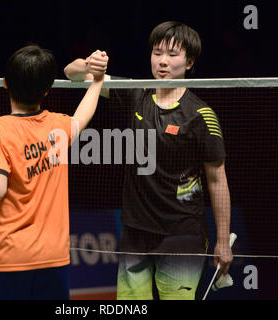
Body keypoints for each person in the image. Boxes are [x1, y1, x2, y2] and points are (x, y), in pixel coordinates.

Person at [64, 21, 232, 300]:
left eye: (172, 54)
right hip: (136, 231)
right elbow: (71, 75)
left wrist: (223, 241)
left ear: (189, 62)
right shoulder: (136, 92)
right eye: (157, 53)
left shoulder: (201, 115)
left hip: (182, 235)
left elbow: (216, 178)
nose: (162, 61)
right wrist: (90, 64)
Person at [0, 44, 108, 300]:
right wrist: (98, 81)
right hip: (54, 259)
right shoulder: (58, 125)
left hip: (7, 258)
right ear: (47, 90)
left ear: (5, 83)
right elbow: (84, 114)